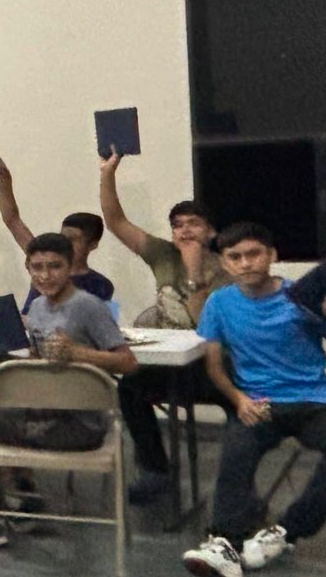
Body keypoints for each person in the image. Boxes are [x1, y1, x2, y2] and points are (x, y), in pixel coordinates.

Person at [0, 233, 138, 547]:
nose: (45, 275)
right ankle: (22, 501)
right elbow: (36, 363)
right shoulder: (39, 307)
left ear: (70, 267)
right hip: (45, 412)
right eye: (37, 267)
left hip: (80, 424)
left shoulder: (88, 306)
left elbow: (128, 362)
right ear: (28, 268)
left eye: (55, 266)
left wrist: (80, 354)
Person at [181, 223, 326, 577]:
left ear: (272, 255)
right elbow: (214, 366)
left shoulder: (304, 296)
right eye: (235, 257)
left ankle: (286, 532)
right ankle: (223, 543)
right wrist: (238, 399)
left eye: (253, 254)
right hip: (258, 403)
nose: (245, 263)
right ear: (224, 263)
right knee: (237, 450)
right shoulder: (219, 303)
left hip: (313, 401)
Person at [99, 151, 232, 504]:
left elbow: (202, 324)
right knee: (130, 388)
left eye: (193, 223)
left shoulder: (227, 266)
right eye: (177, 225)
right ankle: (156, 470)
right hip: (171, 364)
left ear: (211, 231)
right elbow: (115, 221)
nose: (184, 230)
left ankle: (236, 487)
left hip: (213, 364)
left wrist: (193, 270)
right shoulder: (161, 254)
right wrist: (107, 173)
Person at [0, 158, 114, 308]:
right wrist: (5, 180)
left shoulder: (99, 285)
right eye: (63, 236)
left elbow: (87, 320)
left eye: (73, 239)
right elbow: (12, 220)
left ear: (92, 244)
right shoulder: (43, 255)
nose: (65, 243)